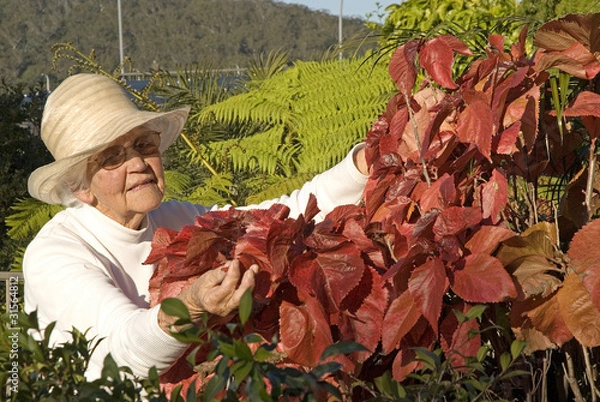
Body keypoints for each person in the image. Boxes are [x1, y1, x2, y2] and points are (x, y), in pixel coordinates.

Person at [23, 73, 370, 381]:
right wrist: (190, 305)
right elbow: (125, 351)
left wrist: (362, 164)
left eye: (144, 144)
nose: (139, 163)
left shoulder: (176, 220)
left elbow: (276, 218)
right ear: (80, 186)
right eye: (112, 157)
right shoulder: (55, 255)